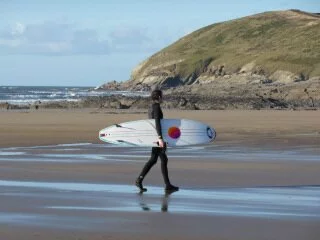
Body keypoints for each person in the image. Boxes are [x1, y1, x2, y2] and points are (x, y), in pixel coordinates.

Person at [135, 89, 179, 193]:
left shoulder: (152, 106)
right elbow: (157, 122)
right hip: (157, 137)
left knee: (158, 159)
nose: (162, 97)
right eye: (161, 96)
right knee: (157, 159)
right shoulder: (156, 107)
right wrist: (160, 138)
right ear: (159, 97)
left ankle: (141, 180)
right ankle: (140, 180)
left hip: (154, 136)